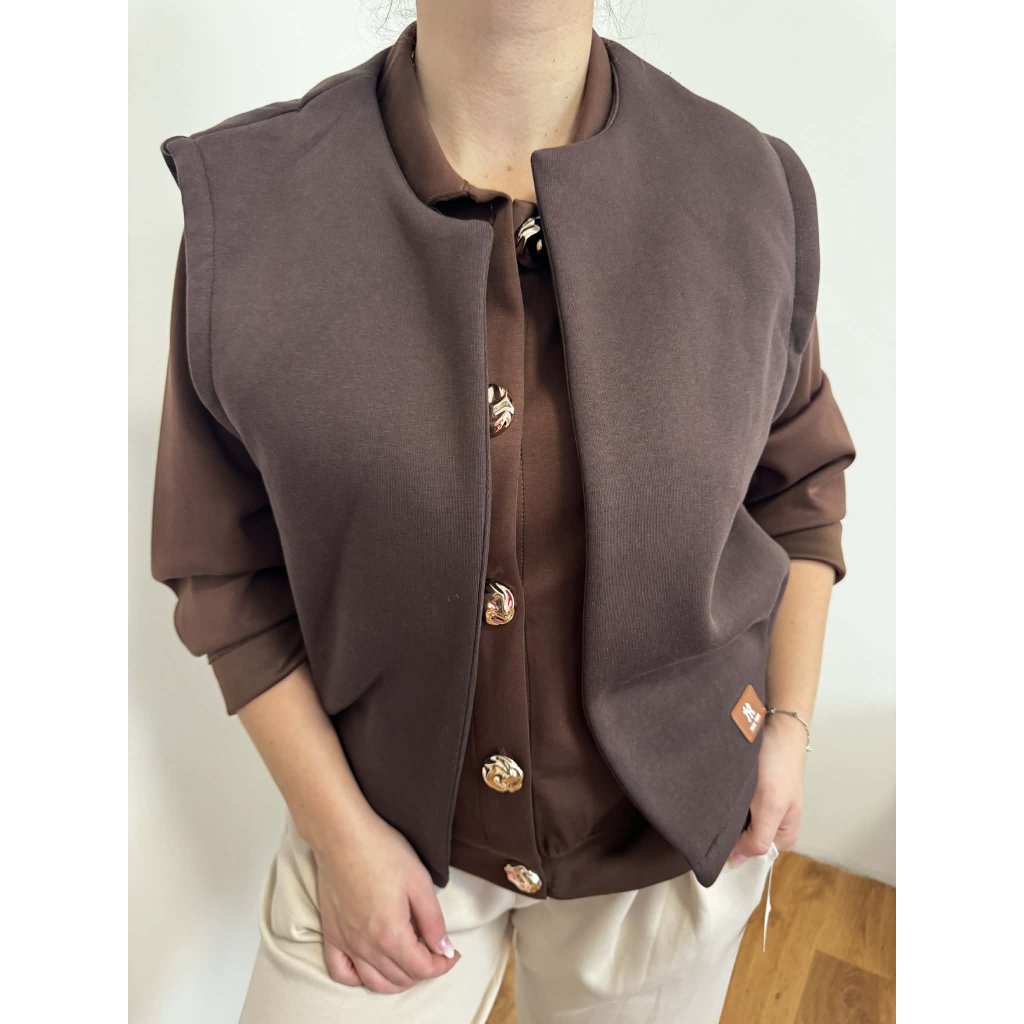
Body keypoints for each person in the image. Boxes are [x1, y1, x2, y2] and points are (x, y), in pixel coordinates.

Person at [151, 3, 856, 1021]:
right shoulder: (252, 204)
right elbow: (223, 568)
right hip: (374, 829)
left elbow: (798, 483)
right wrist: (340, 834)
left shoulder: (748, 187)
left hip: (674, 842)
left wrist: (787, 725)